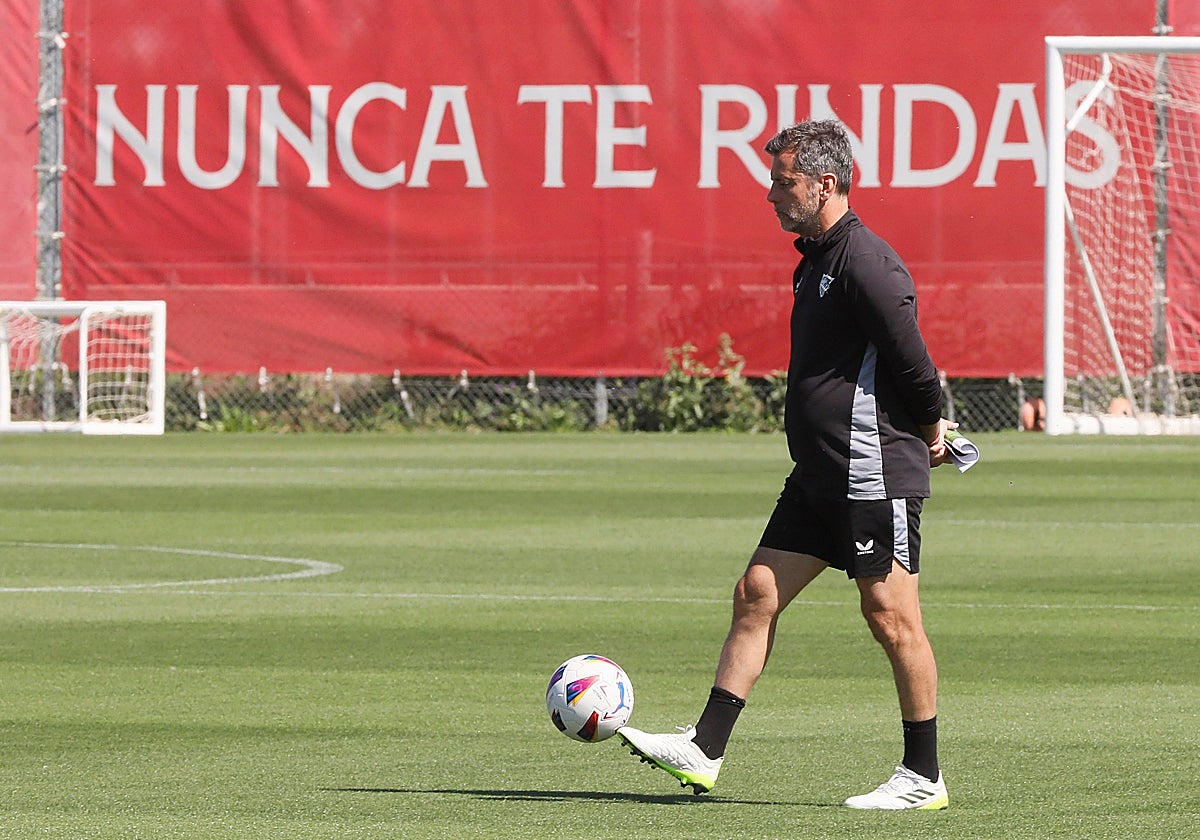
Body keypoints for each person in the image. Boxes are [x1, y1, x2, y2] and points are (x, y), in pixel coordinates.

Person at [617, 119, 954, 810]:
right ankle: (704, 750)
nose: (773, 194)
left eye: (783, 182)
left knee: (891, 616)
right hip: (819, 474)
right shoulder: (815, 259)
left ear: (823, 183)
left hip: (869, 471)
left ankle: (923, 777)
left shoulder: (868, 262)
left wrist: (931, 430)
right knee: (757, 592)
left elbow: (915, 366)